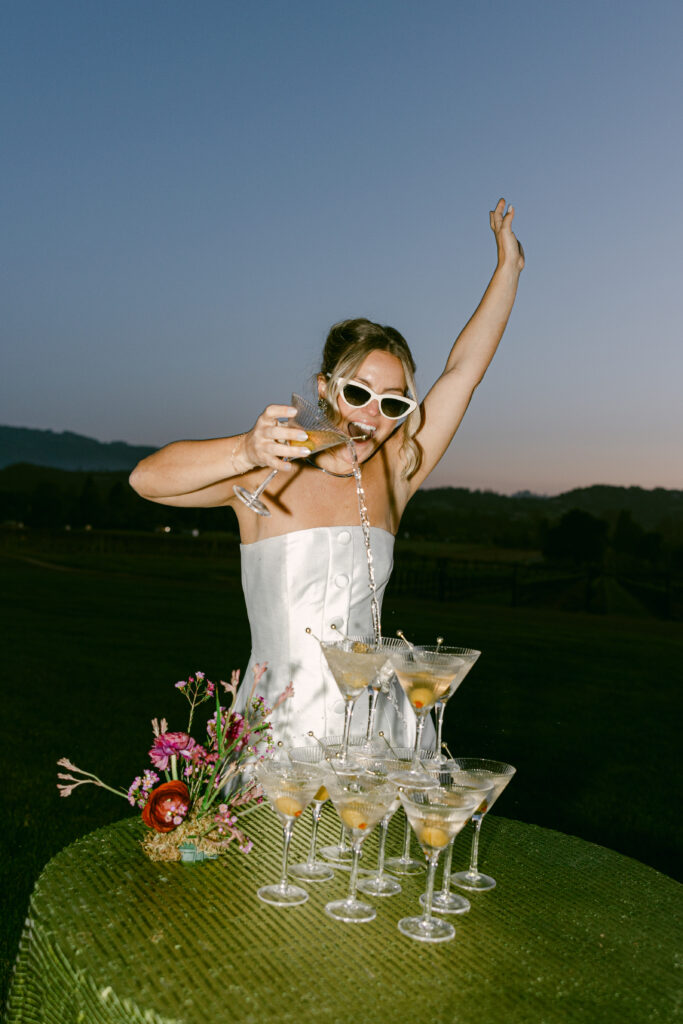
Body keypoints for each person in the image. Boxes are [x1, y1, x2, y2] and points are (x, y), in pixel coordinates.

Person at [129, 198, 524, 748]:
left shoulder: (395, 473)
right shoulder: (272, 473)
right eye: (359, 393)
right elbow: (145, 480)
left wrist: (509, 268)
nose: (370, 415)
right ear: (326, 389)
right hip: (276, 736)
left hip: (378, 737)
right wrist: (246, 450)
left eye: (392, 404)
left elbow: (463, 372)